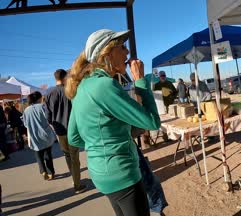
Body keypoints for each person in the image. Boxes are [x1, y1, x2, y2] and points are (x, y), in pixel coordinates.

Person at [66, 29, 161, 216]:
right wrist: (140, 80)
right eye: (122, 47)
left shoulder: (82, 86)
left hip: (101, 174)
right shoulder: (105, 85)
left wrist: (102, 144)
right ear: (107, 53)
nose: (127, 53)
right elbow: (152, 122)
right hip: (122, 174)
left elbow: (74, 137)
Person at [45, 69, 87, 194]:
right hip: (72, 128)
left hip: (59, 130)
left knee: (67, 155)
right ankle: (77, 184)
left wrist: (52, 125)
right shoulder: (70, 90)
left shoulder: (49, 93)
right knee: (74, 156)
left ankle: (75, 178)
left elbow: (47, 115)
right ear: (64, 77)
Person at [23, 91, 57, 180]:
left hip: (34, 135)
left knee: (38, 155)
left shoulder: (26, 110)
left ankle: (43, 171)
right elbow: (49, 118)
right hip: (45, 134)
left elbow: (25, 124)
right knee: (48, 155)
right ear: (38, 98)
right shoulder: (42, 107)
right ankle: (51, 173)